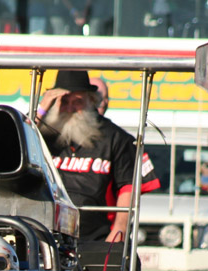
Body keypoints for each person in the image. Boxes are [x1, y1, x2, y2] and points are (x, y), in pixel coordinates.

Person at [36, 69, 161, 242]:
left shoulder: (115, 137)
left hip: (97, 237)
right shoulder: (41, 134)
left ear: (91, 100)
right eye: (64, 101)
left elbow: (129, 186)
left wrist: (119, 230)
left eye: (77, 102)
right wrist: (41, 109)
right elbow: (17, 141)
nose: (70, 108)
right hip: (45, 234)